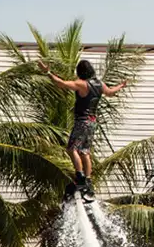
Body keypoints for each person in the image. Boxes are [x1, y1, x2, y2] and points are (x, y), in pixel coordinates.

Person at [38, 58, 128, 199]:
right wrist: (121, 85)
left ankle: (80, 177)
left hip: (82, 121)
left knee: (71, 149)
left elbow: (61, 84)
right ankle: (88, 180)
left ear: (80, 72)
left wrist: (47, 72)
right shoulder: (99, 84)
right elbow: (110, 92)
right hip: (92, 122)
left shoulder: (82, 84)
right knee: (85, 152)